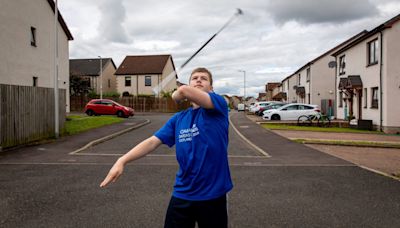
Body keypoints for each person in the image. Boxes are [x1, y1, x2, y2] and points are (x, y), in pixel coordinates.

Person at [100, 67, 233, 228]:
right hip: (183, 193)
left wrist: (178, 93)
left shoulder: (218, 106)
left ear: (211, 88)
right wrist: (122, 160)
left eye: (204, 78)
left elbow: (183, 90)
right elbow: (152, 142)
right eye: (195, 78)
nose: (198, 80)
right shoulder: (179, 119)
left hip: (213, 195)